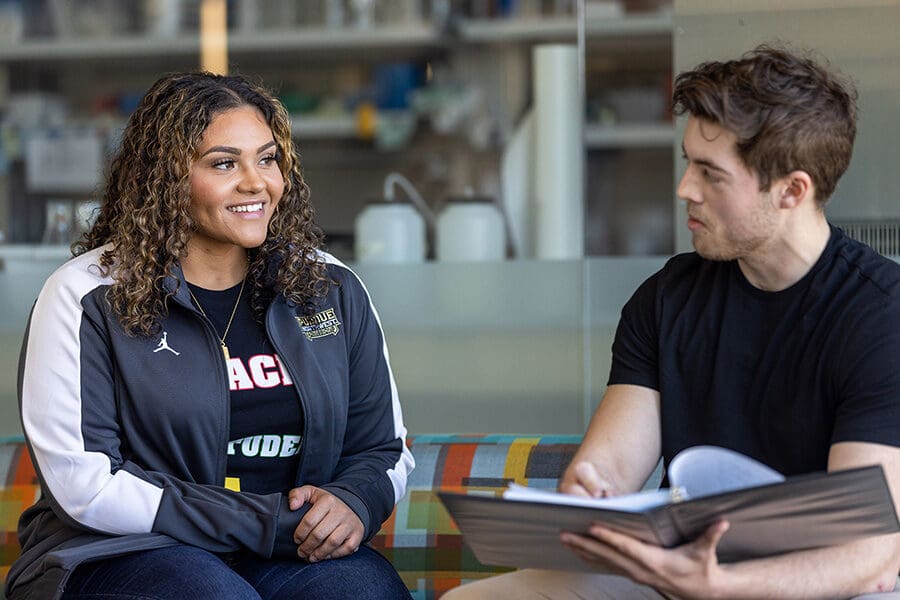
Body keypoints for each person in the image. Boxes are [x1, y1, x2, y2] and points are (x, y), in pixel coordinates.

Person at [444, 44, 900, 599]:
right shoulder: (667, 297)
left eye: (711, 174)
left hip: (819, 580)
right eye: (689, 163)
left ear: (791, 190)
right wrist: (590, 493)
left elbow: (868, 552)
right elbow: (609, 466)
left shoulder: (882, 316)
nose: (685, 189)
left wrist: (722, 587)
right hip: (678, 567)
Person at [6, 72, 415, 600]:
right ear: (167, 178)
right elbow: (87, 484)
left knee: (363, 592)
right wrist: (266, 520)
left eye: (267, 159)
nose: (256, 182)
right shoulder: (85, 296)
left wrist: (354, 500)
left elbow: (382, 445)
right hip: (122, 552)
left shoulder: (328, 286)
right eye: (225, 163)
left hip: (286, 552)